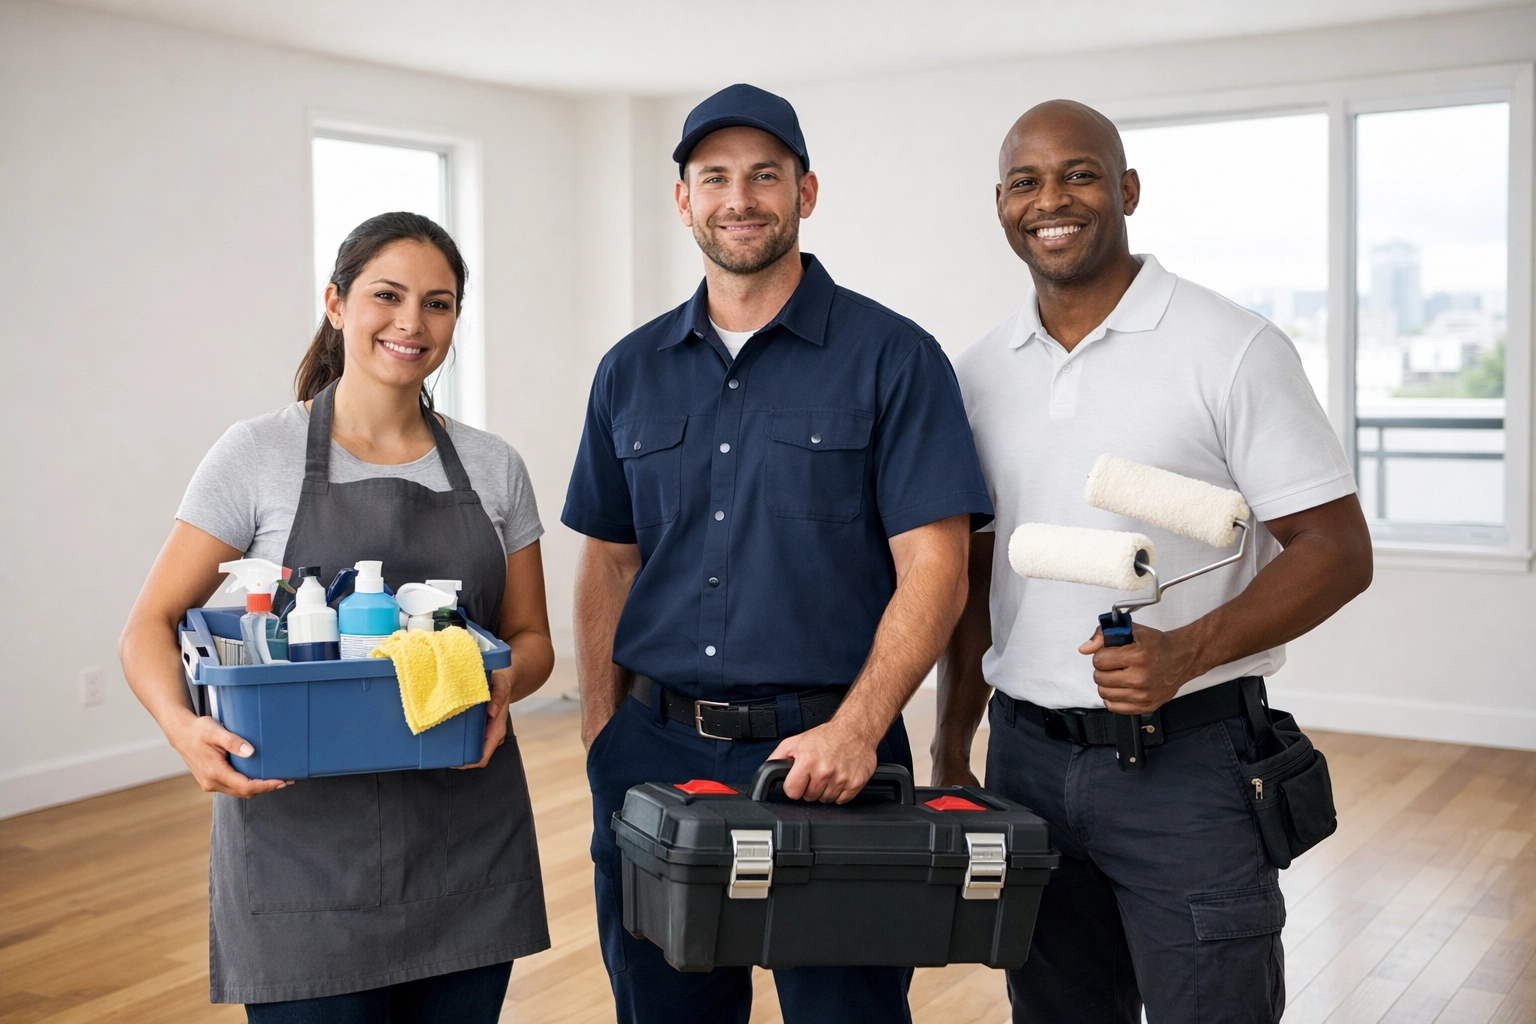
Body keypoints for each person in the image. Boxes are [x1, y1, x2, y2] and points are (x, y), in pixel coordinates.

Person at [933, 100, 1374, 1023]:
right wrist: (950, 740)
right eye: (1025, 182)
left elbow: (1337, 550)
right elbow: (975, 576)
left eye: (1080, 174)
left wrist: (1185, 652)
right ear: (1001, 205)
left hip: (1190, 767)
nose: (1051, 200)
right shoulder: (976, 374)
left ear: (1128, 189)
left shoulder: (1231, 348)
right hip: (1024, 761)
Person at [563, 83, 993, 1024]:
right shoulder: (628, 370)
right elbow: (609, 562)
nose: (740, 198)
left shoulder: (894, 357)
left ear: (807, 191)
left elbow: (937, 567)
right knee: (666, 1012)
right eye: (715, 177)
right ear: (684, 199)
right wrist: (601, 735)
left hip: (834, 758)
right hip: (654, 755)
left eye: (765, 175)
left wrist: (858, 728)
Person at [119, 212, 554, 1021]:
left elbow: (531, 640)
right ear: (336, 303)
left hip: (464, 842)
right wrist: (184, 730)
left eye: (437, 304)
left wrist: (496, 687)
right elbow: (150, 622)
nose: (411, 322)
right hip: (301, 857)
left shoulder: (495, 465)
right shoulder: (258, 453)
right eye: (387, 295)